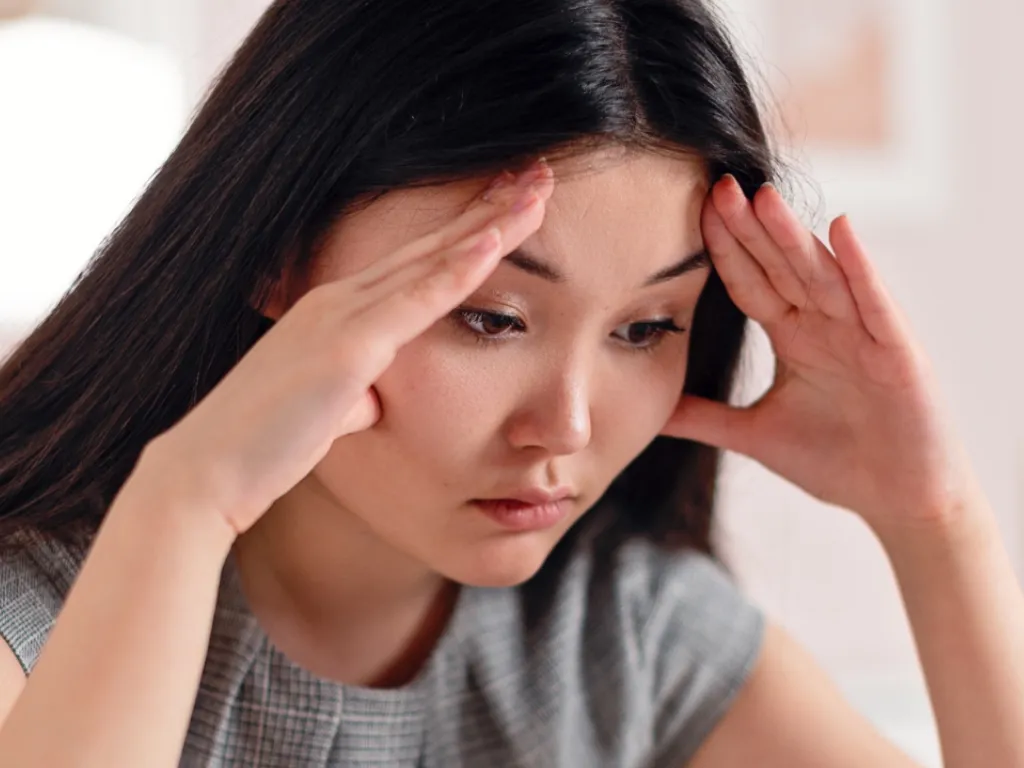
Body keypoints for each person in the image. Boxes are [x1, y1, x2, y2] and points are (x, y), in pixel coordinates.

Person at [0, 0, 1020, 766]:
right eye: (489, 317)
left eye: (645, 328)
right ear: (275, 253)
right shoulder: (33, 615)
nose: (564, 426)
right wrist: (183, 502)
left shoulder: (623, 638)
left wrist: (935, 522)